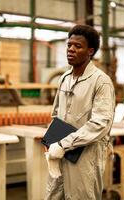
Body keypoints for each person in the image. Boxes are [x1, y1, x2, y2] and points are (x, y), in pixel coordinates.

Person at [45, 24, 115, 200]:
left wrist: (63, 144)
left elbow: (100, 124)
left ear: (90, 51)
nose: (71, 49)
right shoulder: (64, 78)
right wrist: (51, 141)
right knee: (53, 196)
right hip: (60, 154)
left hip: (86, 157)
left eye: (78, 46)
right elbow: (56, 115)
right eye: (69, 45)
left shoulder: (101, 82)